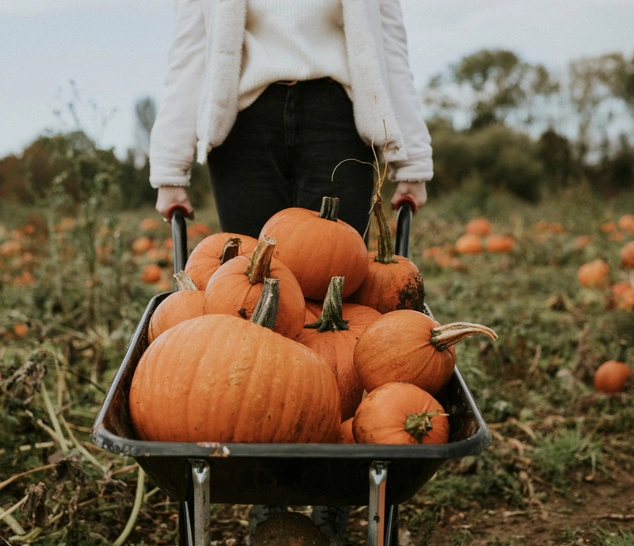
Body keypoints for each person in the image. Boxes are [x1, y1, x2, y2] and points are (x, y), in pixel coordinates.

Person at [147, 0, 433, 542]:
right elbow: (190, 46)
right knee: (253, 307)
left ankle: (332, 484)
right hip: (242, 121)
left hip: (340, 115)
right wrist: (170, 166)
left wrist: (411, 156)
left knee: (335, 309)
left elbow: (389, 41)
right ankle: (268, 483)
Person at [149, 0, 433, 239]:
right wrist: (169, 170)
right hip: (244, 124)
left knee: (337, 276)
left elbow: (391, 52)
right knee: (249, 278)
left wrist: (413, 164)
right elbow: (190, 54)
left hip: (337, 120)